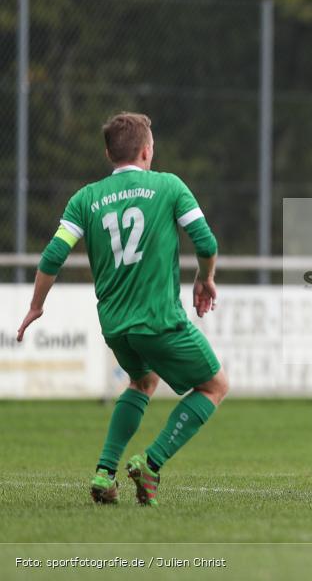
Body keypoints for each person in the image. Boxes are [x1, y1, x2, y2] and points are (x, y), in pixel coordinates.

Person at [17, 112, 229, 507]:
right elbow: (206, 242)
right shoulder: (168, 186)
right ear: (148, 150)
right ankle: (151, 463)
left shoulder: (86, 198)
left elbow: (52, 256)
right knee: (215, 386)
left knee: (142, 382)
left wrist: (36, 306)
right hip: (159, 320)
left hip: (116, 326)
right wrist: (206, 277)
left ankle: (104, 472)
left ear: (108, 153)